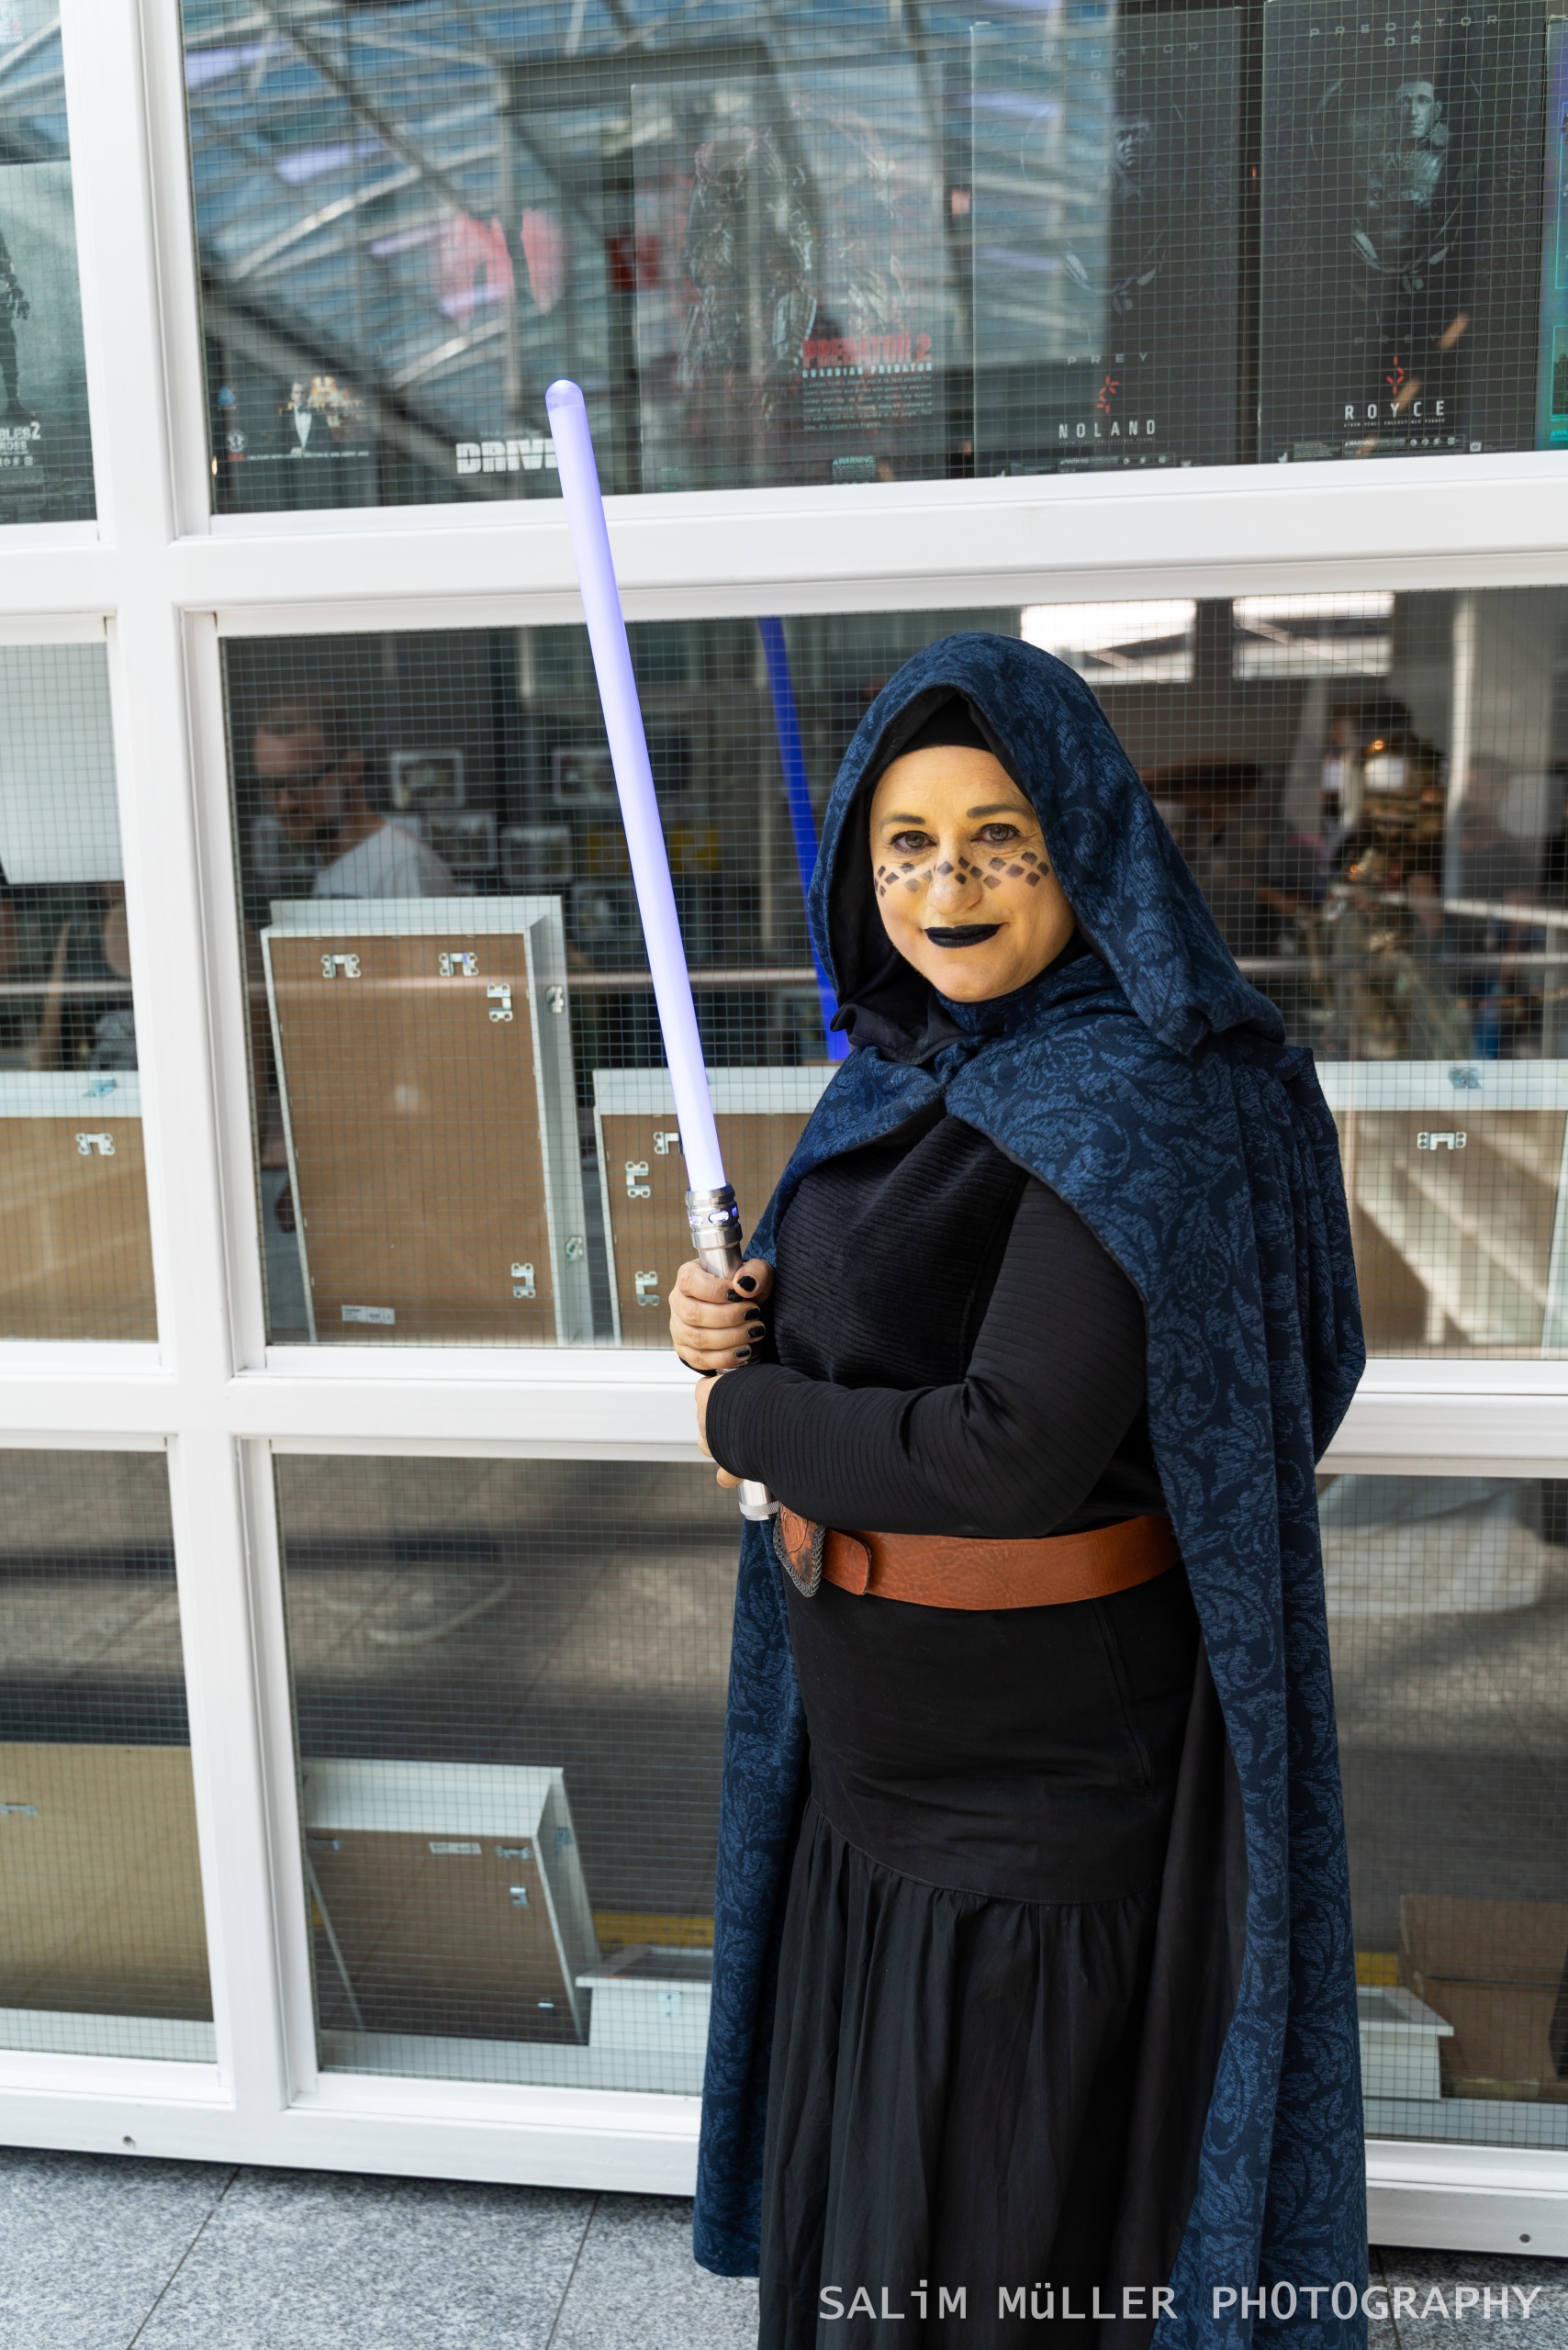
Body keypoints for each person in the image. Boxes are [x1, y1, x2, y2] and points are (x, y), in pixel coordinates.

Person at [674, 633, 1367, 2345]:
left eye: (1001, 841)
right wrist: (731, 1316)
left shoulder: (1141, 1088)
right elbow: (854, 1326)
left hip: (1038, 1790)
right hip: (870, 1757)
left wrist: (741, 1416)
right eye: (905, 844)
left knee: (997, 2207)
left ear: (1085, 850)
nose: (947, 887)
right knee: (885, 2193)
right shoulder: (904, 1065)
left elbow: (1012, 1448)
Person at [252, 691, 456, 900]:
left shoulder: (403, 865)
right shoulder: (336, 863)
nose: (284, 804)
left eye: (300, 782)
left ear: (351, 768)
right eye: (270, 785)